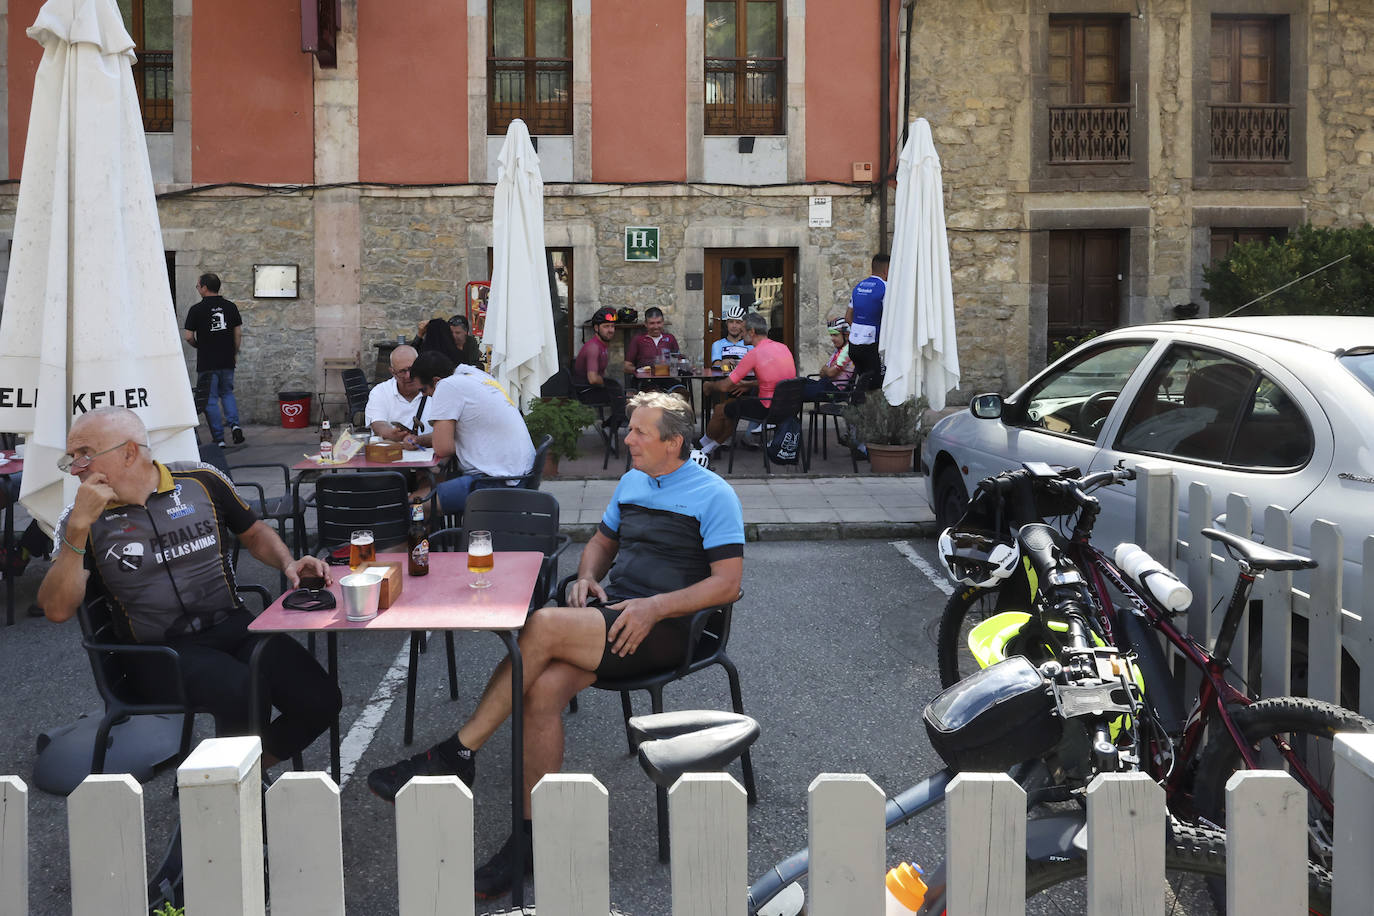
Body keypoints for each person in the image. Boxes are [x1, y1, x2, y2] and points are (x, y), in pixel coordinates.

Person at [366, 391, 744, 899]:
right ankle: (529, 841)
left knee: (541, 625)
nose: (627, 439)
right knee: (541, 693)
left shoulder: (714, 495)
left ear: (673, 443)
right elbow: (603, 542)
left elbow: (727, 585)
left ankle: (457, 752)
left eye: (639, 432)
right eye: (630, 428)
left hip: (669, 628)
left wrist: (655, 607)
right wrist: (587, 576)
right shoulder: (634, 481)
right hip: (613, 617)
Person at [36, 407, 340, 768]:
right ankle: (227, 794)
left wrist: (288, 563)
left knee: (320, 699)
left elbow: (254, 531)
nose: (76, 468)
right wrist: (77, 531)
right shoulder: (81, 518)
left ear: (129, 452)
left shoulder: (201, 481)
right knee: (240, 688)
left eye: (84, 455)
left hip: (232, 625)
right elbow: (56, 609)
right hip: (157, 653)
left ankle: (227, 782)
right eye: (71, 459)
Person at [409, 351, 535, 516]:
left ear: (436, 381)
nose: (424, 395)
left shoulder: (446, 386)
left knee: (413, 505)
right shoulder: (474, 374)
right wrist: (420, 440)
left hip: (494, 484)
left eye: (423, 390)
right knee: (427, 486)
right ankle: (431, 539)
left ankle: (422, 539)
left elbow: (442, 448)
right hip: (518, 476)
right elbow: (468, 433)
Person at [698, 312, 797, 457]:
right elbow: (777, 380)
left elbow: (725, 386)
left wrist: (709, 386)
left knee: (721, 409)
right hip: (787, 407)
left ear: (752, 332)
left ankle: (704, 444)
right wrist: (750, 384)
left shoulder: (754, 353)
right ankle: (709, 447)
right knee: (732, 407)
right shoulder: (783, 347)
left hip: (766, 407)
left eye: (743, 331)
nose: (741, 334)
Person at [182, 273, 243, 449]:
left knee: (210, 399)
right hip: (226, 358)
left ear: (204, 287)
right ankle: (235, 426)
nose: (198, 289)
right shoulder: (230, 307)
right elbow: (237, 333)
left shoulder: (196, 310)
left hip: (207, 360)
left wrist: (198, 346)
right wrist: (234, 352)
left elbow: (188, 336)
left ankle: (219, 438)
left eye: (198, 286)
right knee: (227, 393)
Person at [572, 307, 627, 430]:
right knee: (623, 396)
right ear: (596, 328)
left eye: (612, 326)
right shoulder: (594, 348)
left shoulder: (601, 345)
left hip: (592, 390)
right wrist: (611, 383)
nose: (611, 330)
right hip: (585, 393)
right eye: (606, 326)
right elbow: (592, 379)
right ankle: (614, 426)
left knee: (625, 394)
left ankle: (613, 423)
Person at [366, 345, 430, 448]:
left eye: (412, 369)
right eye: (402, 371)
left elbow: (447, 431)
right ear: (392, 372)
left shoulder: (433, 390)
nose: (408, 376)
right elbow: (378, 424)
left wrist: (420, 440)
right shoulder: (380, 391)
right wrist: (390, 433)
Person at [845, 253, 889, 382]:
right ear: (887, 270)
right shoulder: (886, 288)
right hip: (873, 345)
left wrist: (860, 330)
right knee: (879, 385)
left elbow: (847, 317)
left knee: (864, 384)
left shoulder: (858, 287)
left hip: (854, 346)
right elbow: (890, 319)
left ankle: (857, 402)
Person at [803, 317, 855, 399]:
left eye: (835, 335)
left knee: (796, 391)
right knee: (798, 382)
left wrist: (827, 369)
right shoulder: (839, 350)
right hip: (826, 385)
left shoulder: (847, 351)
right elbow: (822, 373)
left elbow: (830, 373)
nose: (832, 339)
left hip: (834, 391)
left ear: (847, 335)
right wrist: (827, 369)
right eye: (831, 335)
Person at [623, 306, 679, 377]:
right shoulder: (638, 339)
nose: (656, 327)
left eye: (658, 322)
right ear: (646, 324)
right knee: (653, 389)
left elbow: (678, 360)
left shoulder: (670, 338)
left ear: (663, 322)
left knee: (681, 388)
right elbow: (626, 367)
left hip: (668, 378)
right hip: (645, 380)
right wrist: (640, 371)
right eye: (652, 323)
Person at [710, 303, 753, 369]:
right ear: (727, 324)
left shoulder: (751, 346)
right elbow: (716, 364)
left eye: (738, 322)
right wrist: (724, 364)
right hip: (724, 377)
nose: (734, 326)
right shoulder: (717, 344)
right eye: (731, 322)